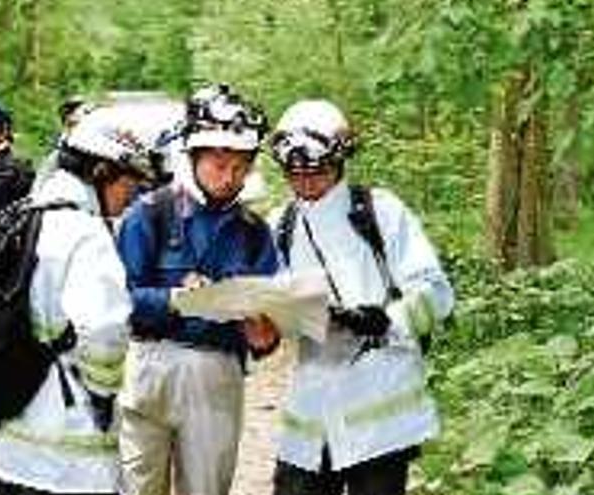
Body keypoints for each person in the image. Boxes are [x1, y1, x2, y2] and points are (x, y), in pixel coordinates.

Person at [267, 100, 455, 495]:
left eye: (316, 173)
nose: (306, 184)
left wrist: (388, 320)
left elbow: (436, 292)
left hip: (381, 411)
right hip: (312, 407)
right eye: (295, 175)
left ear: (339, 163)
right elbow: (268, 302)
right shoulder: (280, 224)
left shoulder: (380, 211)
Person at [116, 84, 281, 495]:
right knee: (136, 487)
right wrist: (177, 299)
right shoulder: (149, 214)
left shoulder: (254, 232)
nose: (230, 178)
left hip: (217, 372)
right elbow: (117, 303)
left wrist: (263, 334)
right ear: (192, 155)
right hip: (149, 366)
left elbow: (267, 330)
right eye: (220, 164)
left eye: (242, 166)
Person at [0, 118, 155, 495]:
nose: (131, 195)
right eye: (128, 183)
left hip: (4, 443)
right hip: (65, 454)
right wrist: (103, 395)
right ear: (101, 172)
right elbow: (105, 335)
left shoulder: (22, 215)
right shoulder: (87, 233)